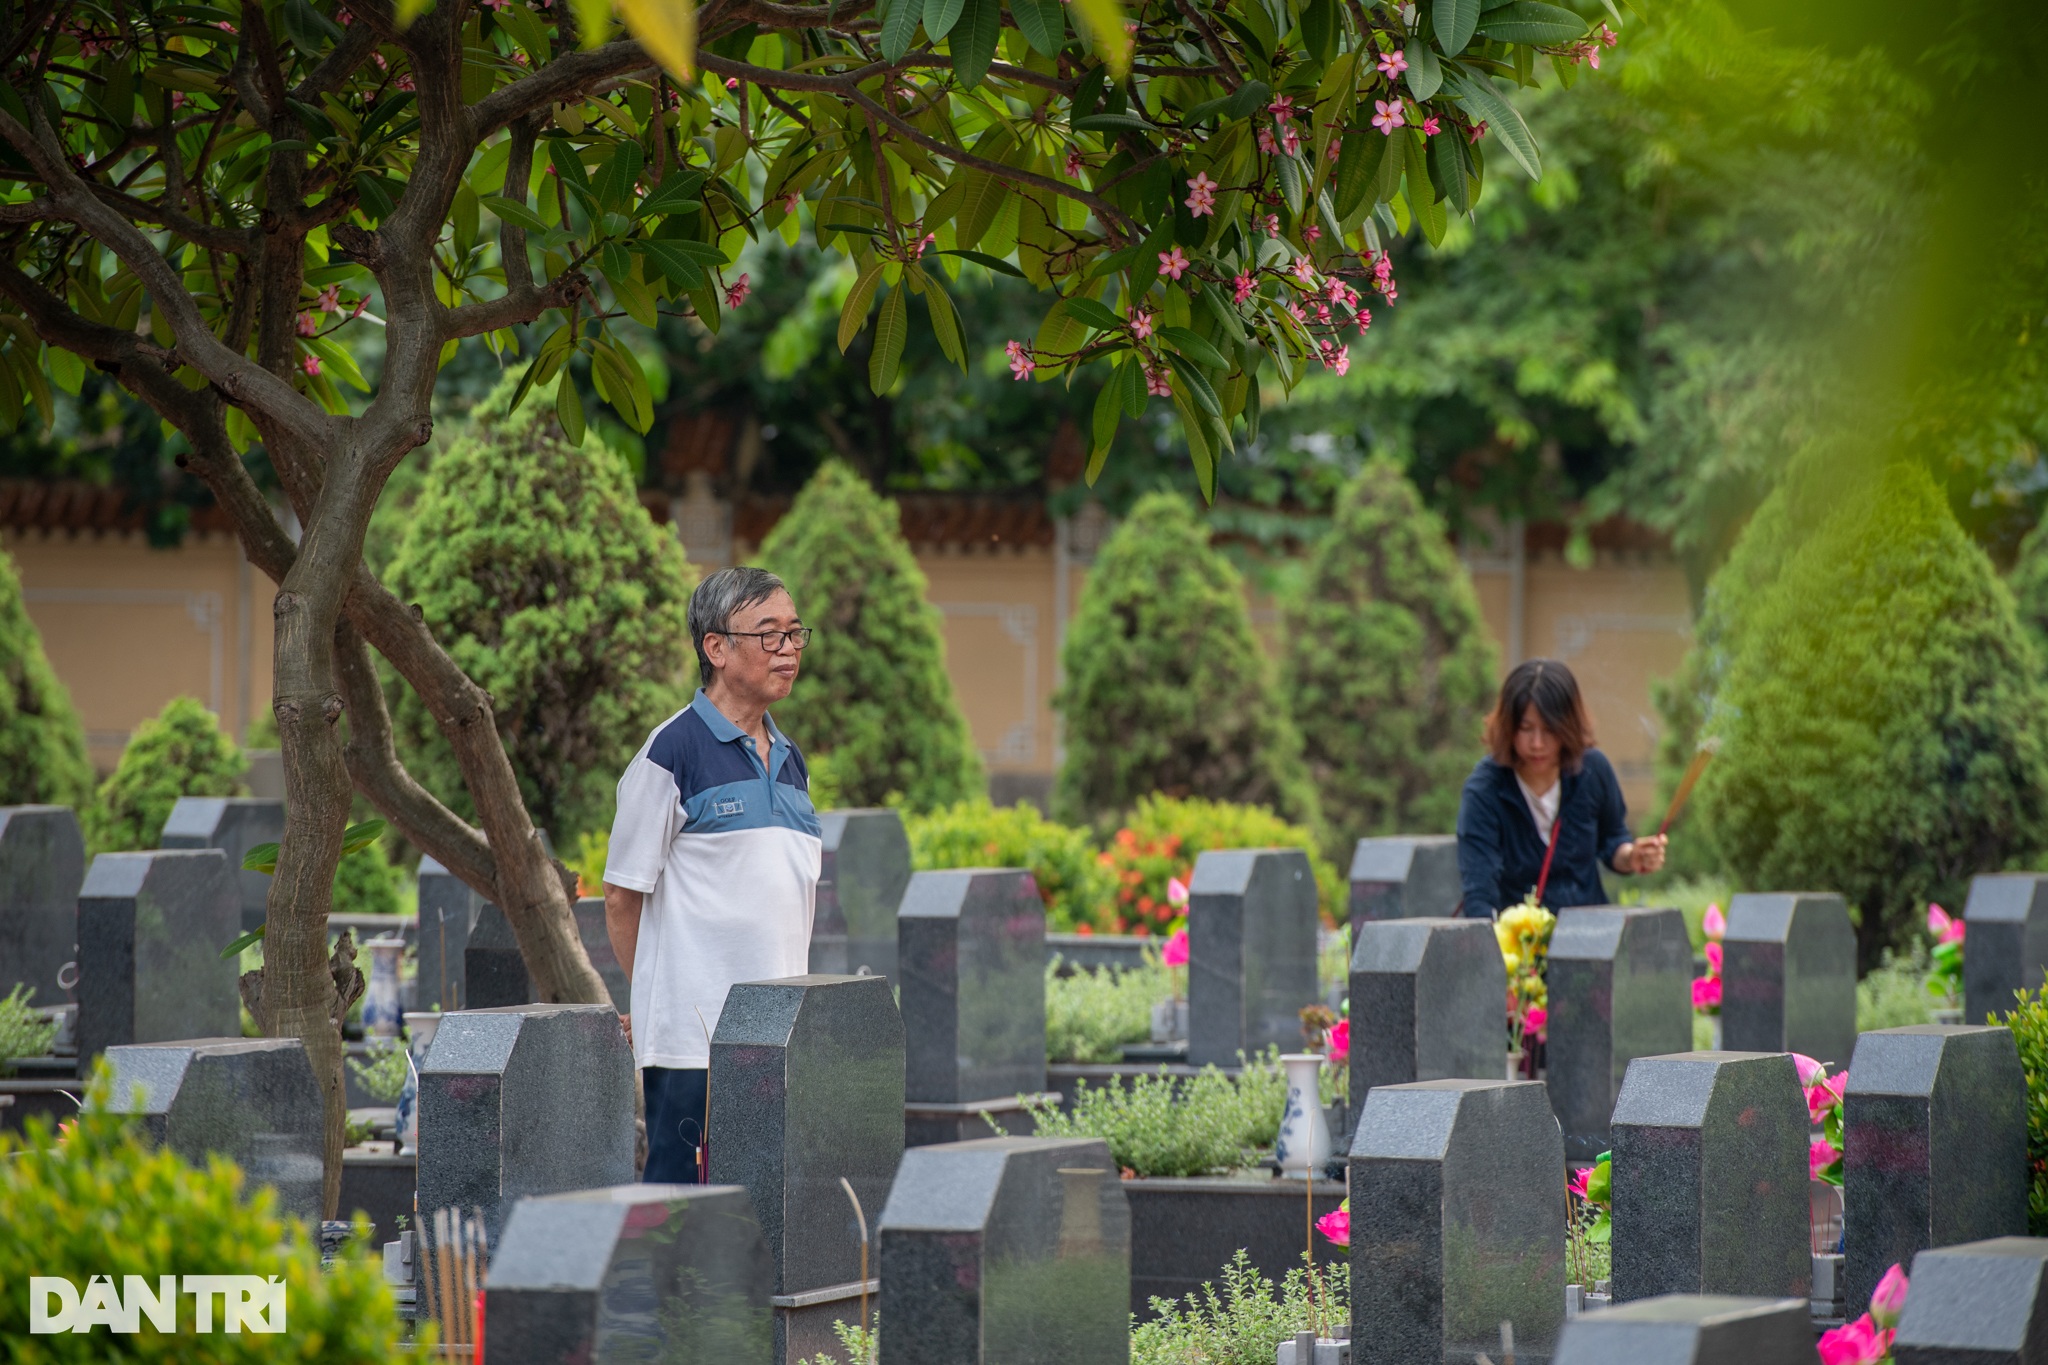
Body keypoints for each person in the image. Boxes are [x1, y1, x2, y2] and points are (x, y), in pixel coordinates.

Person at [601, 566, 823, 1182]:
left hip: (776, 1038)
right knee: (681, 1217)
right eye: (769, 635)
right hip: (692, 1046)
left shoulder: (790, 759)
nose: (788, 650)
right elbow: (621, 895)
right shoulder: (670, 752)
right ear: (716, 648)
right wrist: (656, 994)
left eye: (795, 634)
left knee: (762, 1217)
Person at [1456, 659, 1666, 918]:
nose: (1537, 743)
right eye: (1526, 729)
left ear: (1568, 727)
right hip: (1518, 947)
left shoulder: (1592, 769)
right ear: (1508, 728)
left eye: (1549, 730)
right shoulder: (1484, 790)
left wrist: (1632, 856)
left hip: (1589, 938)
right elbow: (1480, 893)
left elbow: (1613, 839)